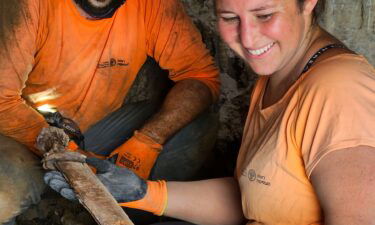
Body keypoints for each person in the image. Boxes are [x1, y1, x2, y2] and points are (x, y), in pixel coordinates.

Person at [44, 0, 375, 224]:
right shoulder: (278, 73)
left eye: (264, 15)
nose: (247, 37)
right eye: (230, 18)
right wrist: (142, 192)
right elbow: (253, 196)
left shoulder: (339, 88)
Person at [0, 0, 221, 224]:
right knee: (2, 198)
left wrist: (147, 142)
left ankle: (124, 211)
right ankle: (47, 203)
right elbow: (2, 102)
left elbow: (200, 76)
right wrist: (71, 155)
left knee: (196, 125)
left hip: (96, 131)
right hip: (23, 135)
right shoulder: (30, 5)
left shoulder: (152, 4)